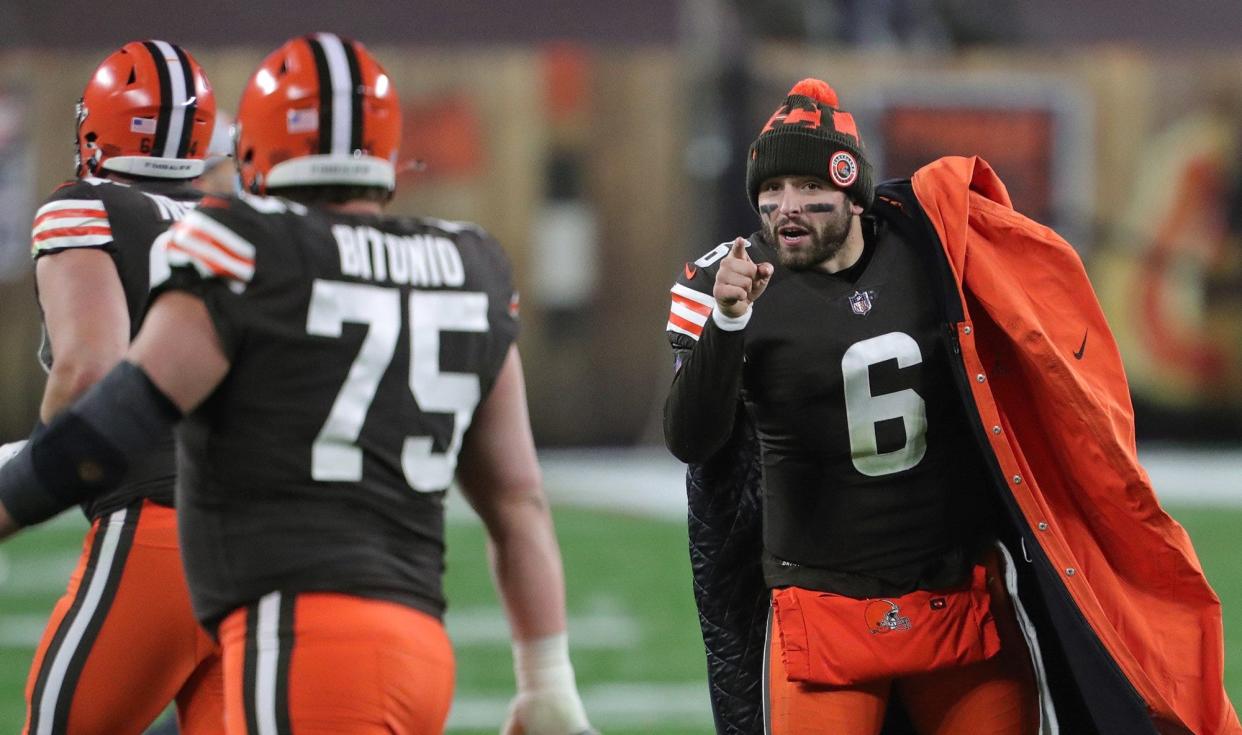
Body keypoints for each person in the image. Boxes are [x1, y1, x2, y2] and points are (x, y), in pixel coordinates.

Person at [0, 33, 594, 735]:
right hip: (417, 635)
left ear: (256, 145)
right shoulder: (469, 260)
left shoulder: (244, 245)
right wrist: (547, 677)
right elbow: (519, 496)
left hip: (295, 622)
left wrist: (17, 487)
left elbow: (115, 409)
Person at [664, 78, 1241, 734]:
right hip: (822, 609)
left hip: (959, 600)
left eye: (806, 187)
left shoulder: (931, 251)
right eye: (770, 191)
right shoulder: (734, 282)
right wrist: (729, 323)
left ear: (853, 195)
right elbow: (691, 437)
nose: (785, 207)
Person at [17, 40, 223, 735]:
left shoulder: (86, 206)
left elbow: (87, 370)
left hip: (160, 528)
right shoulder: (238, 226)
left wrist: (36, 467)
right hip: (271, 537)